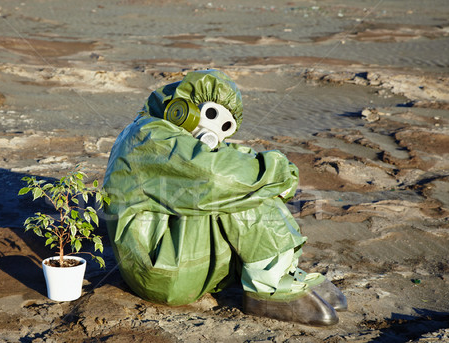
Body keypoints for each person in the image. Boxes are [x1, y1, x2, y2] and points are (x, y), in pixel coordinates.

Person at [102, 69, 346, 326]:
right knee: (236, 189)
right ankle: (269, 286)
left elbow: (234, 159)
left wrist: (273, 175)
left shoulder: (174, 137)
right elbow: (215, 176)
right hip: (162, 270)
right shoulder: (150, 135)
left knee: (248, 179)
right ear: (181, 108)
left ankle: (280, 270)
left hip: (190, 263)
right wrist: (280, 174)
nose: (215, 130)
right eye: (211, 114)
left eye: (225, 126)